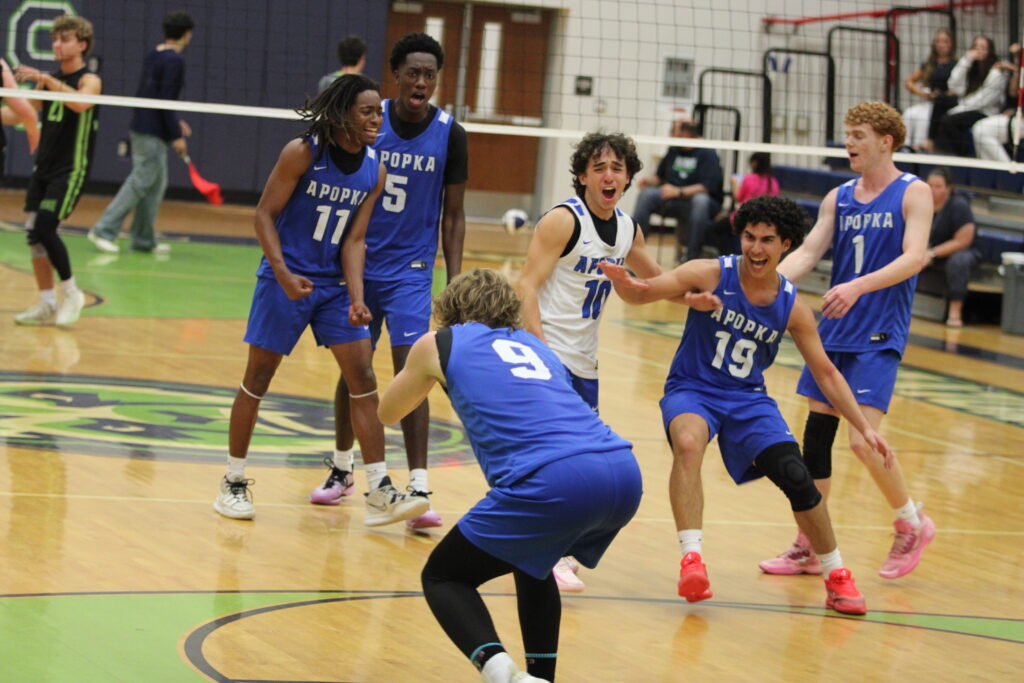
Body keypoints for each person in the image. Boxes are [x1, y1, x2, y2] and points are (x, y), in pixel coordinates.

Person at [599, 195, 891, 615]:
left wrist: (864, 427)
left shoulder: (792, 306)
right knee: (687, 440)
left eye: (767, 240)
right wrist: (622, 279)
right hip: (692, 388)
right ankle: (692, 559)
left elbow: (826, 372)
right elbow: (644, 295)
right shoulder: (709, 273)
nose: (756, 248)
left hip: (748, 399)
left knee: (796, 475)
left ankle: (837, 574)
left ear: (785, 245)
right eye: (750, 237)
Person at [378, 268, 643, 683]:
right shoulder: (539, 348)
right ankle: (541, 678)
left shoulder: (440, 343)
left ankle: (500, 671)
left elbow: (388, 412)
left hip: (556, 480)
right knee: (533, 563)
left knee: (444, 576)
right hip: (621, 470)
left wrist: (432, 373)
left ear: (450, 311)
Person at [214, 74, 428, 529]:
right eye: (368, 112)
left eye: (378, 112)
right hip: (286, 278)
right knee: (258, 377)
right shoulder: (303, 153)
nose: (377, 119)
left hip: (333, 286)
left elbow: (354, 240)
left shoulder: (375, 168)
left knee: (363, 376)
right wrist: (284, 274)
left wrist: (356, 298)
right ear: (343, 114)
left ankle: (378, 489)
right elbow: (264, 216)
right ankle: (232, 482)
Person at [762, 101, 936, 579]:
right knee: (815, 444)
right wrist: (764, 284)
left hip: (878, 332)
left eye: (859, 134)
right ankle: (811, 546)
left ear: (886, 140)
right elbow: (811, 252)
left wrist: (858, 285)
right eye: (848, 134)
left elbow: (915, 258)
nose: (849, 142)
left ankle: (910, 522)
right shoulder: (838, 196)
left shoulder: (913, 192)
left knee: (864, 441)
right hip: (835, 330)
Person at [318, 32, 467, 532]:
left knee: (414, 370)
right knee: (355, 366)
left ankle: (420, 487)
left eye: (429, 74)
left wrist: (456, 279)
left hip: (411, 271)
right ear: (396, 76)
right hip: (359, 264)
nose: (421, 81)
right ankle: (342, 468)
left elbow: (455, 215)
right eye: (412, 73)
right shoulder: (369, 118)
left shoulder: (451, 132)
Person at [516, 131, 662, 593]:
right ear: (582, 175)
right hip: (550, 356)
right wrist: (540, 354)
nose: (608, 175)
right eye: (598, 167)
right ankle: (553, 552)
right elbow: (525, 288)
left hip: (587, 365)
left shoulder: (626, 229)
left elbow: (654, 285)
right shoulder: (562, 221)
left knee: (585, 466)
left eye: (617, 168)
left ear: (628, 178)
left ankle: (540, 541)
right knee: (574, 462)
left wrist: (705, 294)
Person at [7, 14, 100, 327]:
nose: (58, 45)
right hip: (43, 169)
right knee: (34, 237)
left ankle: (73, 292)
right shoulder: (46, 82)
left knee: (45, 228)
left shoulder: (90, 80)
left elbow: (80, 104)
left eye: (65, 39)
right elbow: (19, 114)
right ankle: (47, 302)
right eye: (55, 40)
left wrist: (46, 81)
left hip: (70, 169)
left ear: (82, 44)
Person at [87, 11, 195, 255]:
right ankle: (103, 230)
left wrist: (176, 122)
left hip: (144, 124)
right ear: (187, 34)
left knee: (156, 185)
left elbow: (155, 96)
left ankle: (144, 240)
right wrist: (176, 135)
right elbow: (165, 100)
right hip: (152, 131)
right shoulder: (174, 61)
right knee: (141, 181)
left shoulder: (154, 54)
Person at [631, 117, 723, 262]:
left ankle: (691, 257)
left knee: (701, 201)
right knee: (647, 195)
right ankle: (635, 250)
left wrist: (678, 191)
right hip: (673, 200)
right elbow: (659, 177)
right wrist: (648, 181)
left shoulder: (707, 152)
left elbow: (706, 187)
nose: (671, 134)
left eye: (673, 130)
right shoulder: (674, 150)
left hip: (697, 203)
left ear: (685, 133)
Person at [921, 168, 981, 327]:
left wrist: (932, 253)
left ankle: (955, 312)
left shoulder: (959, 206)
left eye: (938, 186)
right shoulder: (920, 204)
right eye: (930, 185)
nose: (933, 190)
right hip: (926, 252)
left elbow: (963, 241)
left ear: (948, 188)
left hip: (957, 253)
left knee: (959, 261)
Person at [933, 35, 1009, 156]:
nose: (979, 51)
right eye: (976, 47)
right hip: (967, 105)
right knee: (941, 101)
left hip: (985, 111)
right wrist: (966, 60)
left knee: (948, 120)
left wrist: (958, 109)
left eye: (983, 47)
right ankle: (932, 144)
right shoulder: (970, 65)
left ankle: (965, 156)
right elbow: (954, 86)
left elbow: (983, 100)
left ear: (990, 51)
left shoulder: (997, 72)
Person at [708, 152, 779, 255]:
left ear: (754, 163)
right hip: (763, 222)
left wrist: (734, 184)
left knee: (712, 229)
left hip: (742, 219)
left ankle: (726, 255)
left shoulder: (750, 178)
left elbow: (738, 197)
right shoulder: (773, 182)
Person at [902, 29, 956, 150]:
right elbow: (909, 82)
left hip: (944, 104)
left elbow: (958, 90)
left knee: (924, 120)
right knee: (909, 114)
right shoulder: (930, 63)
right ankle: (905, 148)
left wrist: (943, 94)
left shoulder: (956, 64)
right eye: (938, 41)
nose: (941, 45)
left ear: (951, 44)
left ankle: (921, 151)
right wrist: (922, 93)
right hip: (929, 101)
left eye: (945, 41)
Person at [970, 43, 1021, 162]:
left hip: (1020, 121)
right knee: (980, 129)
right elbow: (1013, 92)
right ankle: (1001, 171)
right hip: (1017, 118)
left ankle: (1008, 171)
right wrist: (1017, 66)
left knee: (982, 130)